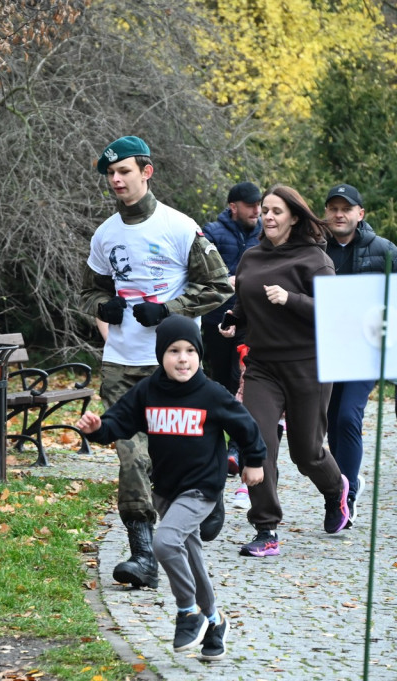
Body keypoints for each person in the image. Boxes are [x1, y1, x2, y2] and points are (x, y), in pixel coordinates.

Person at [81, 135, 232, 588]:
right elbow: (89, 288)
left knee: (178, 451)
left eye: (123, 171)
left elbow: (220, 286)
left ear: (146, 172)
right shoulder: (105, 234)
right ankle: (143, 555)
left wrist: (170, 310)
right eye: (110, 174)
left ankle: (208, 492)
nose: (116, 180)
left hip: (174, 363)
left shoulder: (180, 228)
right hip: (122, 363)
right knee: (132, 457)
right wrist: (102, 304)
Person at [76, 315, 266, 661]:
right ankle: (214, 620)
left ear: (200, 354)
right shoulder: (149, 391)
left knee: (165, 543)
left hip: (202, 488)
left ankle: (186, 611)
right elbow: (120, 421)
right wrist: (97, 429)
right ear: (161, 354)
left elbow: (246, 426)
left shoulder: (211, 393)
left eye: (191, 350)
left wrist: (254, 461)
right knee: (191, 556)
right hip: (166, 489)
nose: (183, 358)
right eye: (174, 350)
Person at [219, 184, 350, 557]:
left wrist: (290, 299)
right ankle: (266, 529)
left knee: (306, 452)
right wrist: (233, 318)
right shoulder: (251, 257)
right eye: (266, 211)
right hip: (262, 366)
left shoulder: (314, 259)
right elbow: (247, 299)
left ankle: (335, 490)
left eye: (277, 211)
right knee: (257, 444)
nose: (269, 217)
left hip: (308, 365)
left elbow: (334, 311)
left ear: (294, 216)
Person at [323, 183, 397, 524]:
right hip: (327, 348)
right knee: (332, 424)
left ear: (360, 214)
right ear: (326, 214)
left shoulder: (384, 250)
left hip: (366, 350)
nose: (340, 214)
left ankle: (346, 496)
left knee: (348, 417)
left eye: (346, 208)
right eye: (334, 208)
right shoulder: (315, 249)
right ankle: (341, 486)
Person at [201, 181, 263, 507]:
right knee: (221, 384)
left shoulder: (267, 232)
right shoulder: (211, 232)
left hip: (250, 322)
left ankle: (236, 448)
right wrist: (227, 281)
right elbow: (200, 274)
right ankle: (218, 446)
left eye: (259, 204)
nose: (257, 210)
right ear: (233, 206)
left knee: (244, 381)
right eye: (250, 205)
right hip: (216, 321)